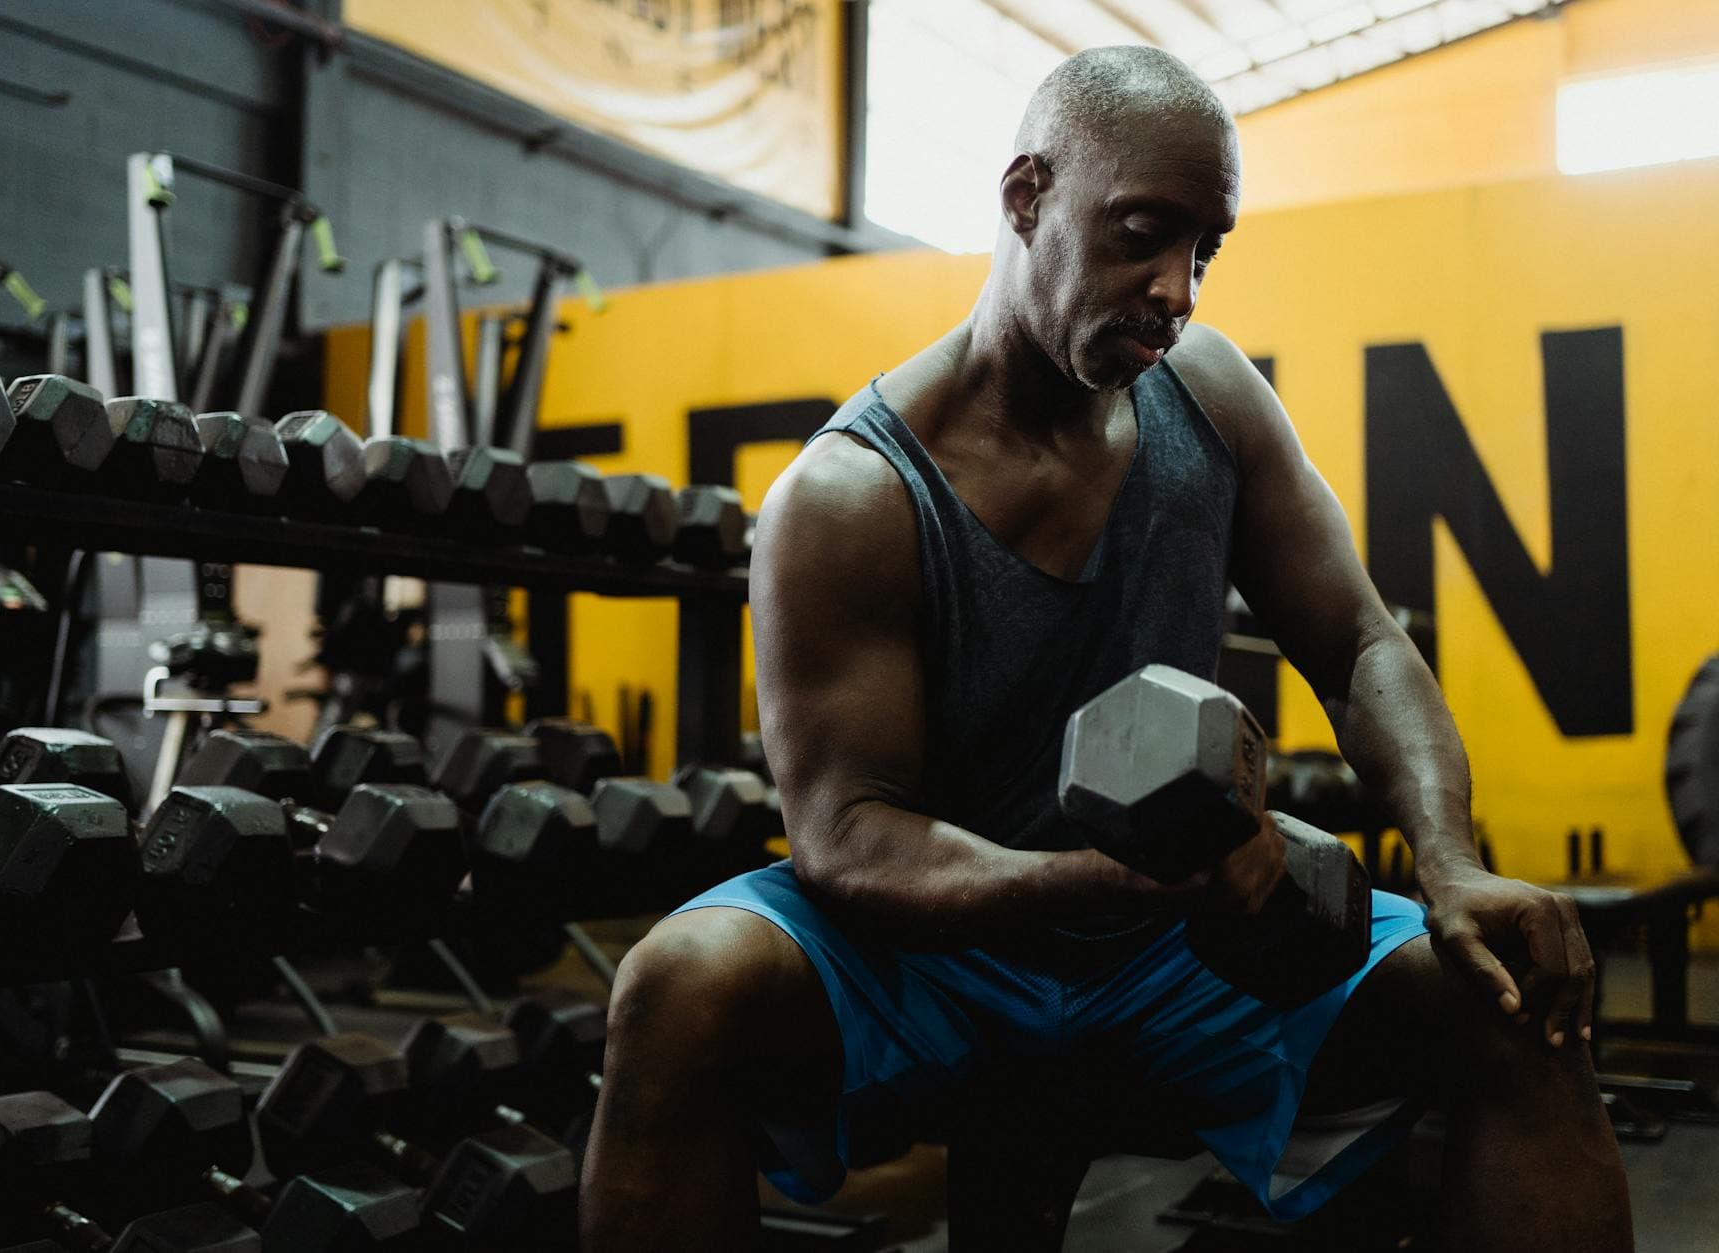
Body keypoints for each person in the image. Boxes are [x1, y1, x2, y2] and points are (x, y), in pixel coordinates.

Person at [579, 45, 1632, 1252]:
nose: (1177, 289)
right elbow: (847, 834)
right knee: (676, 982)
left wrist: (1447, 864)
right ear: (1026, 195)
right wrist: (1124, 876)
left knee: (1510, 996)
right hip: (937, 953)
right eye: (1141, 234)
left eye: (1204, 249)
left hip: (1174, 955)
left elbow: (1356, 643)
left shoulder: (1212, 398)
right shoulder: (851, 494)